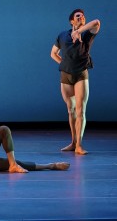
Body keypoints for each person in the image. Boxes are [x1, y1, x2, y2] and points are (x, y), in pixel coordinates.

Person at [50, 9, 101, 155]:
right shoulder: (62, 35)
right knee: (70, 110)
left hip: (81, 75)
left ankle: (79, 145)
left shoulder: (87, 34)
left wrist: (79, 31)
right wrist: (64, 64)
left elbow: (97, 22)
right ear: (72, 21)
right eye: (78, 16)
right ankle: (73, 142)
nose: (82, 17)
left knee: (80, 110)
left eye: (83, 16)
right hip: (66, 76)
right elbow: (53, 53)